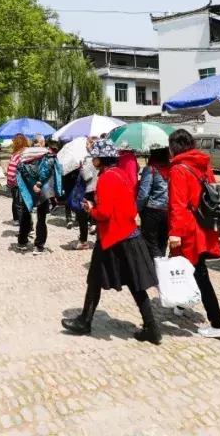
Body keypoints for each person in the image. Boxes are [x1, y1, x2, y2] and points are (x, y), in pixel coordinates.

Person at [61, 140, 161, 344]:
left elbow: (104, 213)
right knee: (136, 284)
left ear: (101, 158)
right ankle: (152, 327)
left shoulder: (106, 179)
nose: (93, 159)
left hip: (112, 237)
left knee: (94, 280)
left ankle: (85, 321)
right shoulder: (121, 174)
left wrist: (91, 209)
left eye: (94, 156)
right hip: (130, 234)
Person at [167, 128, 220, 339]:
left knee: (198, 273)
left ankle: (218, 323)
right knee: (188, 269)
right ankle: (182, 305)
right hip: (204, 225)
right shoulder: (203, 164)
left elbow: (178, 204)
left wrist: (175, 233)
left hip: (188, 229)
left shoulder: (178, 169)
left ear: (173, 147)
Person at [16, 139, 61, 253]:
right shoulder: (47, 154)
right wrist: (38, 183)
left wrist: (32, 185)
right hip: (42, 190)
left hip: (28, 188)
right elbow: (46, 170)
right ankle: (39, 246)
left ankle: (22, 242)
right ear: (42, 143)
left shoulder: (25, 154)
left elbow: (21, 169)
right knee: (41, 217)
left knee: (26, 215)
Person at [136, 147, 171, 259]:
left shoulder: (150, 169)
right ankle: (161, 267)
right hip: (168, 210)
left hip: (152, 210)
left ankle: (154, 268)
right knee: (162, 241)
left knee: (150, 242)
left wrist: (137, 208)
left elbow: (144, 193)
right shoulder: (172, 169)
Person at [6, 134, 30, 223]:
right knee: (27, 205)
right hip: (30, 183)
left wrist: (10, 184)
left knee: (19, 206)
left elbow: (11, 173)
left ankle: (25, 228)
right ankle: (29, 225)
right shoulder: (30, 153)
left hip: (18, 183)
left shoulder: (16, 155)